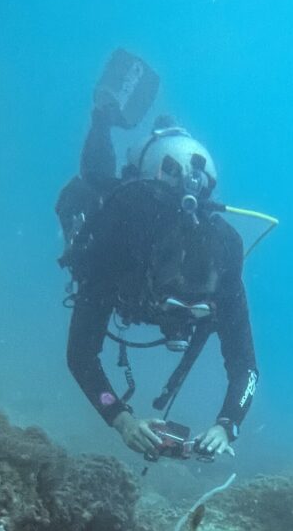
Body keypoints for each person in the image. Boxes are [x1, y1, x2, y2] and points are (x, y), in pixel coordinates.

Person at [57, 77, 259, 461]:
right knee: (97, 185)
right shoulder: (118, 251)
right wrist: (120, 418)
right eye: (175, 306)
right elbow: (80, 356)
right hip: (119, 227)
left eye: (196, 311)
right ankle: (103, 117)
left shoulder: (225, 269)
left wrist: (227, 424)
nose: (180, 325)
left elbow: (246, 367)